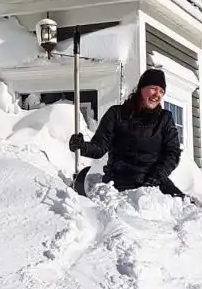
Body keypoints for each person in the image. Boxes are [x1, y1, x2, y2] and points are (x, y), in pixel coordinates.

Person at [69, 68, 184, 197]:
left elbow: (173, 153)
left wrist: (156, 177)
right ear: (141, 88)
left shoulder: (164, 118)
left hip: (154, 181)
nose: (157, 94)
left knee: (187, 206)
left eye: (161, 91)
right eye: (153, 88)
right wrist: (82, 146)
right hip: (119, 182)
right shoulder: (116, 114)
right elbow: (99, 147)